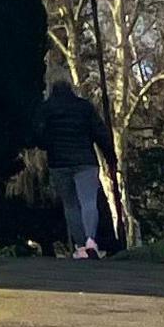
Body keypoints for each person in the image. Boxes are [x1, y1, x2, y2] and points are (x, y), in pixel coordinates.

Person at [37, 73, 114, 258]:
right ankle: (91, 241)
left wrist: (48, 145)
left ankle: (80, 247)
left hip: (59, 163)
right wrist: (111, 158)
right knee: (88, 202)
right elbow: (100, 133)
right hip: (86, 161)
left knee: (71, 205)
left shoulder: (46, 109)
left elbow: (37, 135)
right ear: (71, 86)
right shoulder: (84, 107)